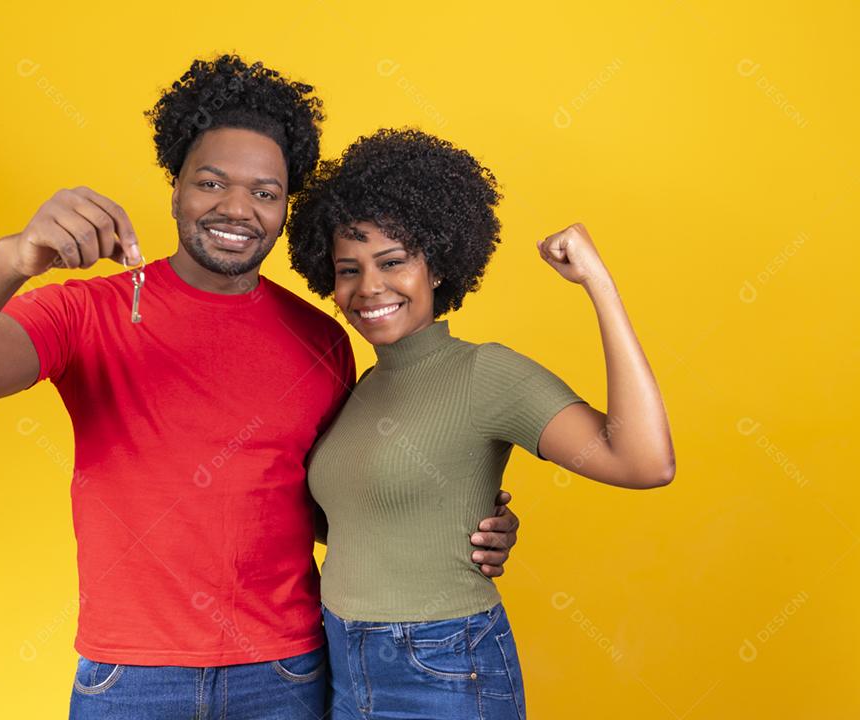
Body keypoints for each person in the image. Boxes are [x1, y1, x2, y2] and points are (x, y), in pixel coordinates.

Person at [0, 56, 519, 719]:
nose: (237, 208)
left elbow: (329, 506)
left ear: (286, 207)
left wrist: (453, 519)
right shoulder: (88, 314)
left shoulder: (321, 338)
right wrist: (13, 259)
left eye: (265, 193)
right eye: (212, 183)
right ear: (175, 184)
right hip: (134, 679)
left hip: (289, 671)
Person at [287, 128, 676, 720]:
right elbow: (361, 519)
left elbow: (645, 462)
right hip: (341, 657)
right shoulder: (360, 387)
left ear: (437, 265)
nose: (369, 287)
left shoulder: (485, 373)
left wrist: (599, 284)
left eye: (393, 262)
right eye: (348, 269)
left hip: (440, 665)